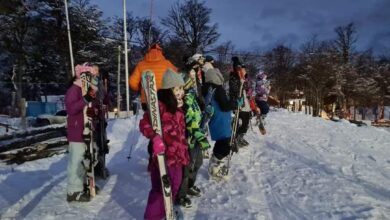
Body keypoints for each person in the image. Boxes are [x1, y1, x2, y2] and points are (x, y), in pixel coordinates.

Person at [139, 69, 189, 220]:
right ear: (168, 90)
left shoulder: (178, 107)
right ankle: (154, 216)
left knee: (169, 187)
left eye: (181, 88)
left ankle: (165, 211)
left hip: (177, 155)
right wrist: (154, 138)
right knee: (165, 188)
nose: (180, 92)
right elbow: (144, 123)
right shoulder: (159, 106)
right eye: (177, 89)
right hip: (165, 156)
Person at [176, 64, 211, 208]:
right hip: (189, 139)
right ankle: (181, 194)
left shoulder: (192, 95)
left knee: (198, 163)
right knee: (187, 168)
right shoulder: (183, 101)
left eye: (193, 75)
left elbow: (197, 114)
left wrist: (206, 114)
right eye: (190, 76)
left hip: (197, 137)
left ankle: (190, 186)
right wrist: (201, 137)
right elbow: (189, 122)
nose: (193, 78)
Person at [65, 64, 98, 202]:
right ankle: (73, 190)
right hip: (77, 132)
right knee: (76, 161)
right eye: (90, 76)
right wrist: (85, 100)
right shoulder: (74, 89)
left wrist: (93, 111)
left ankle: (84, 185)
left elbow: (88, 108)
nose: (93, 78)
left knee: (88, 159)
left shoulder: (88, 90)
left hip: (87, 129)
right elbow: (71, 109)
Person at [203, 68, 242, 179]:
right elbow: (225, 106)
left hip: (216, 119)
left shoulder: (208, 88)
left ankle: (214, 162)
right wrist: (236, 103)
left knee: (221, 142)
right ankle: (214, 167)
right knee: (225, 144)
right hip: (221, 120)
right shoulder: (218, 89)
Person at [129, 44, 177, 108]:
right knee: (166, 116)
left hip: (147, 99)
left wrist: (141, 88)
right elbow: (176, 78)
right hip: (165, 99)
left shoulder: (140, 65)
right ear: (160, 52)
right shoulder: (167, 63)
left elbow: (132, 82)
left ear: (148, 52)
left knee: (148, 117)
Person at [229, 57, 251, 147]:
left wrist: (247, 87)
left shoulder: (243, 77)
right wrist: (240, 83)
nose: (243, 70)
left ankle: (240, 137)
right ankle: (234, 137)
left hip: (245, 102)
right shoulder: (233, 77)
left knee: (246, 120)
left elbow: (246, 88)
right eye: (241, 68)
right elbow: (234, 90)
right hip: (238, 102)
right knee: (237, 121)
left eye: (243, 68)